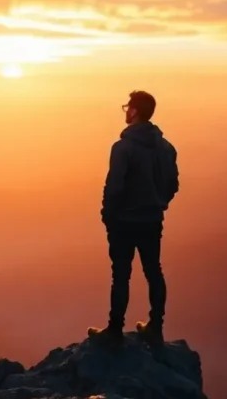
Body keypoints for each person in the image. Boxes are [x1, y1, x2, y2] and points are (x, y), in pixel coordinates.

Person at [88, 90, 179, 348]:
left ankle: (115, 331)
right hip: (152, 220)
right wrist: (158, 203)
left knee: (121, 275)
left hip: (124, 222)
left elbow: (114, 187)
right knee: (153, 271)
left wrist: (107, 215)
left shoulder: (122, 148)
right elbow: (173, 185)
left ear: (135, 111)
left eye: (128, 107)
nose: (126, 111)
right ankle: (155, 328)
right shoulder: (166, 148)